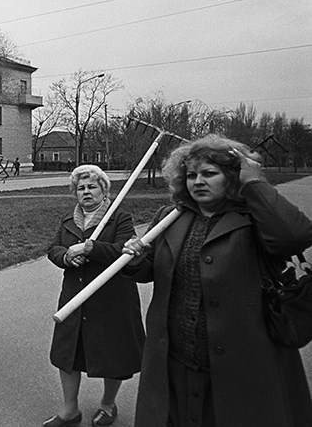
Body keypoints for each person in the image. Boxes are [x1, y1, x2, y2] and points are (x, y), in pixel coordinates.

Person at [122, 135, 312, 426]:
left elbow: (294, 236)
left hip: (242, 367)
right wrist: (136, 261)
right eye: (191, 175)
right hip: (176, 362)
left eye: (209, 173)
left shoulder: (255, 218)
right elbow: (152, 269)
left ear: (232, 177)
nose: (198, 181)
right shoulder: (170, 217)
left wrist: (254, 182)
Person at [43, 165, 144, 427]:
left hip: (111, 299)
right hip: (74, 298)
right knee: (68, 354)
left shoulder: (119, 217)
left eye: (92, 187)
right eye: (81, 188)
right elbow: (53, 248)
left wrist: (91, 248)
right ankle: (69, 411)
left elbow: (125, 252)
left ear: (103, 190)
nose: (86, 192)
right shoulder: (68, 219)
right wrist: (66, 256)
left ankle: (108, 404)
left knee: (113, 356)